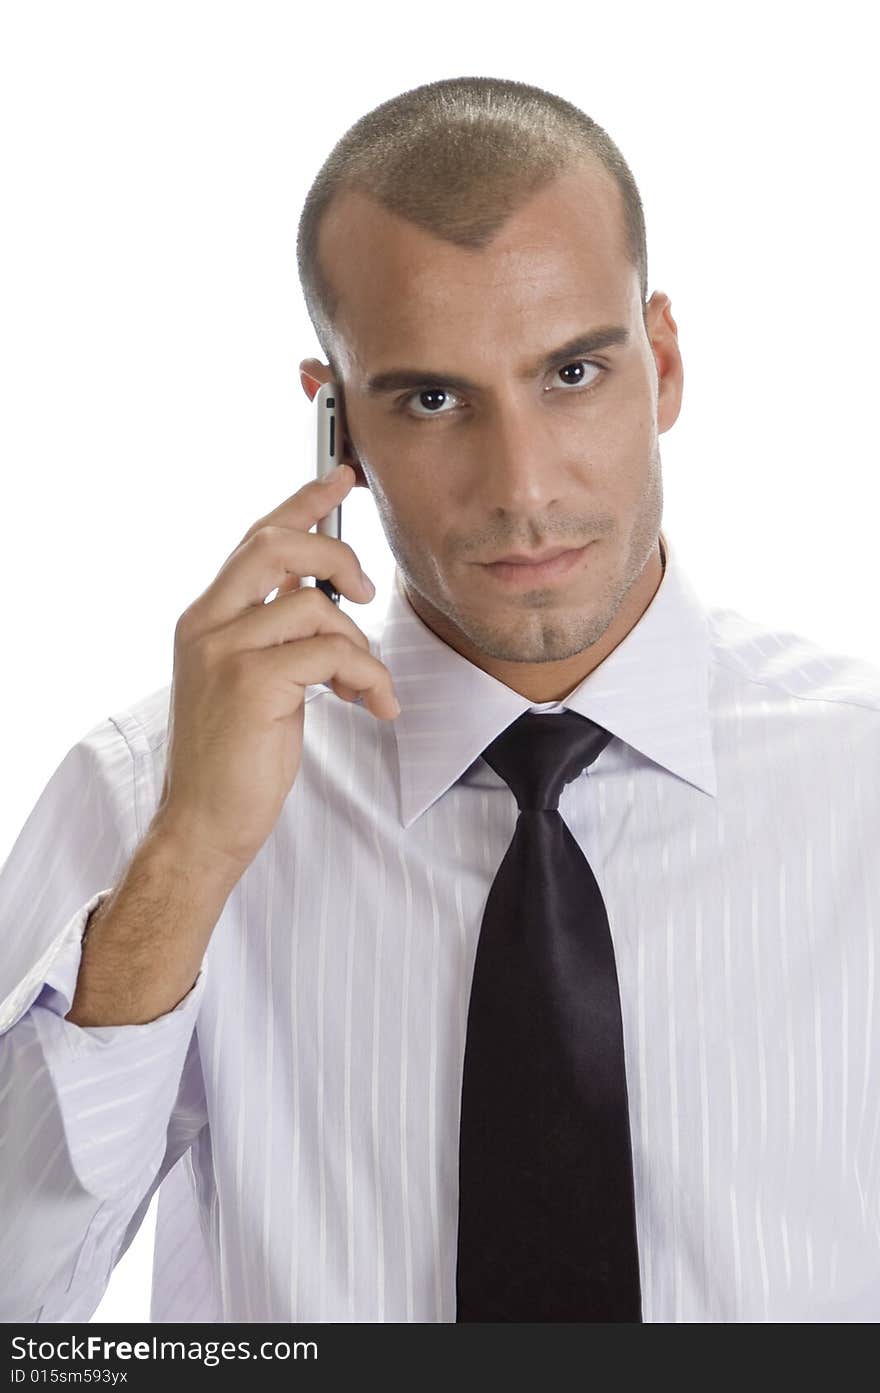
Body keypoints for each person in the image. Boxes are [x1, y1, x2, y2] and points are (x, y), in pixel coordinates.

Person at [1, 73, 878, 1325]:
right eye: (430, 399)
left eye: (572, 372)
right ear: (335, 423)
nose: (521, 486)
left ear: (664, 361)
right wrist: (185, 866)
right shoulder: (157, 794)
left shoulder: (863, 784)